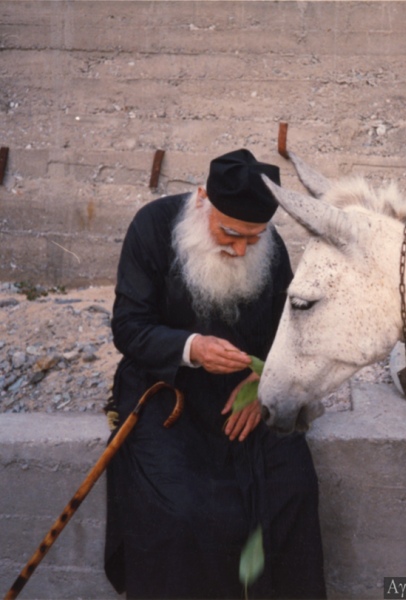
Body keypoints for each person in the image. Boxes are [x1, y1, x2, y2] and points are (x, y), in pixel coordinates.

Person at [104, 149, 327, 600]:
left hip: (243, 397)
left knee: (290, 488)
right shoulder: (151, 228)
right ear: (203, 199)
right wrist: (192, 348)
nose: (241, 249)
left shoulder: (271, 246)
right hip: (167, 393)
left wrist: (263, 384)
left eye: (254, 238)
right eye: (230, 233)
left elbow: (287, 332)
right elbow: (128, 327)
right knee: (183, 509)